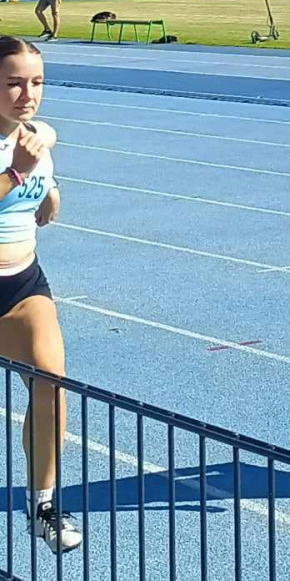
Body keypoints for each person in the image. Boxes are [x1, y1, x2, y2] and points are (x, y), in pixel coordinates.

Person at [0, 36, 80, 553]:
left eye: (36, 83)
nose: (27, 94)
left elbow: (39, 195)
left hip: (23, 282)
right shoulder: (22, 152)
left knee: (51, 383)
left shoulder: (34, 138)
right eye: (13, 84)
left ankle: (43, 507)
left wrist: (47, 195)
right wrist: (17, 174)